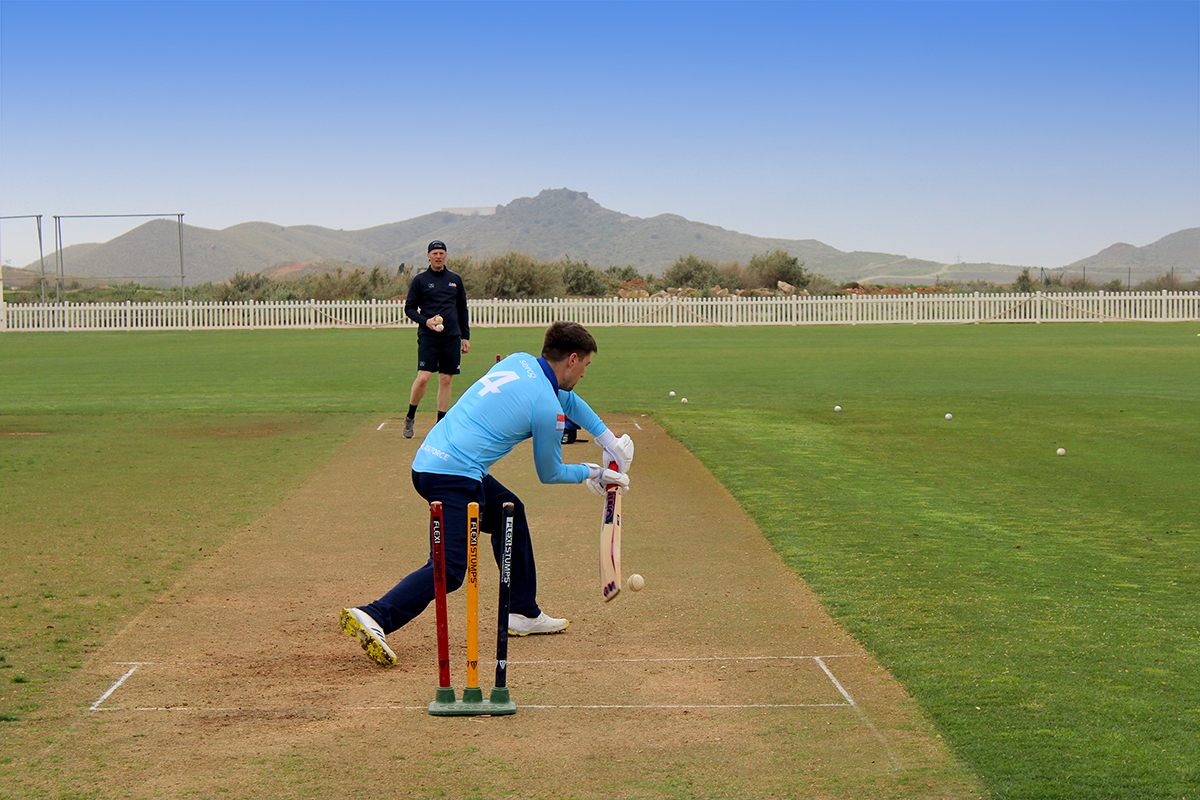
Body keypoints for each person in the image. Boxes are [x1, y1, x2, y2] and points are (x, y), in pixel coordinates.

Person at [341, 321, 635, 667]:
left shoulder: (520, 362)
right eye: (585, 364)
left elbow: (567, 398)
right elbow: (550, 472)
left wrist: (607, 439)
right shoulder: (545, 406)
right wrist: (593, 473)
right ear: (572, 359)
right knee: (450, 569)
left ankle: (523, 612)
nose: (585, 373)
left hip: (431, 460)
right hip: (453, 476)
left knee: (511, 513)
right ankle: (375, 616)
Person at [401, 240, 471, 439]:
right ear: (428, 256)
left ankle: (441, 425)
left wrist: (465, 337)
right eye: (435, 253)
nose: (438, 256)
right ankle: (410, 416)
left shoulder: (455, 279)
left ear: (446, 255)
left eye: (441, 253)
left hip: (451, 336)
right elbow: (410, 309)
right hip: (428, 336)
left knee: (446, 379)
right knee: (423, 378)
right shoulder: (420, 280)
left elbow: (462, 309)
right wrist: (427, 321)